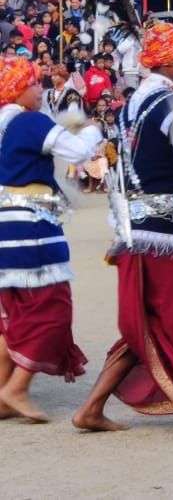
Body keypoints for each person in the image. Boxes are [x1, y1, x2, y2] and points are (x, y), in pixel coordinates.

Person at [73, 21, 173, 438]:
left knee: (147, 323)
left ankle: (91, 408)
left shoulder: (131, 106)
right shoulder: (169, 106)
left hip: (135, 230)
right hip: (168, 235)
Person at [0, 55, 103, 422]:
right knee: (50, 307)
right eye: (33, 85)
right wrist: (93, 129)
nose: (39, 92)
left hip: (3, 225)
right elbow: (77, 152)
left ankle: (3, 390)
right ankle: (17, 387)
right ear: (19, 89)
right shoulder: (29, 122)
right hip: (31, 223)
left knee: (10, 309)